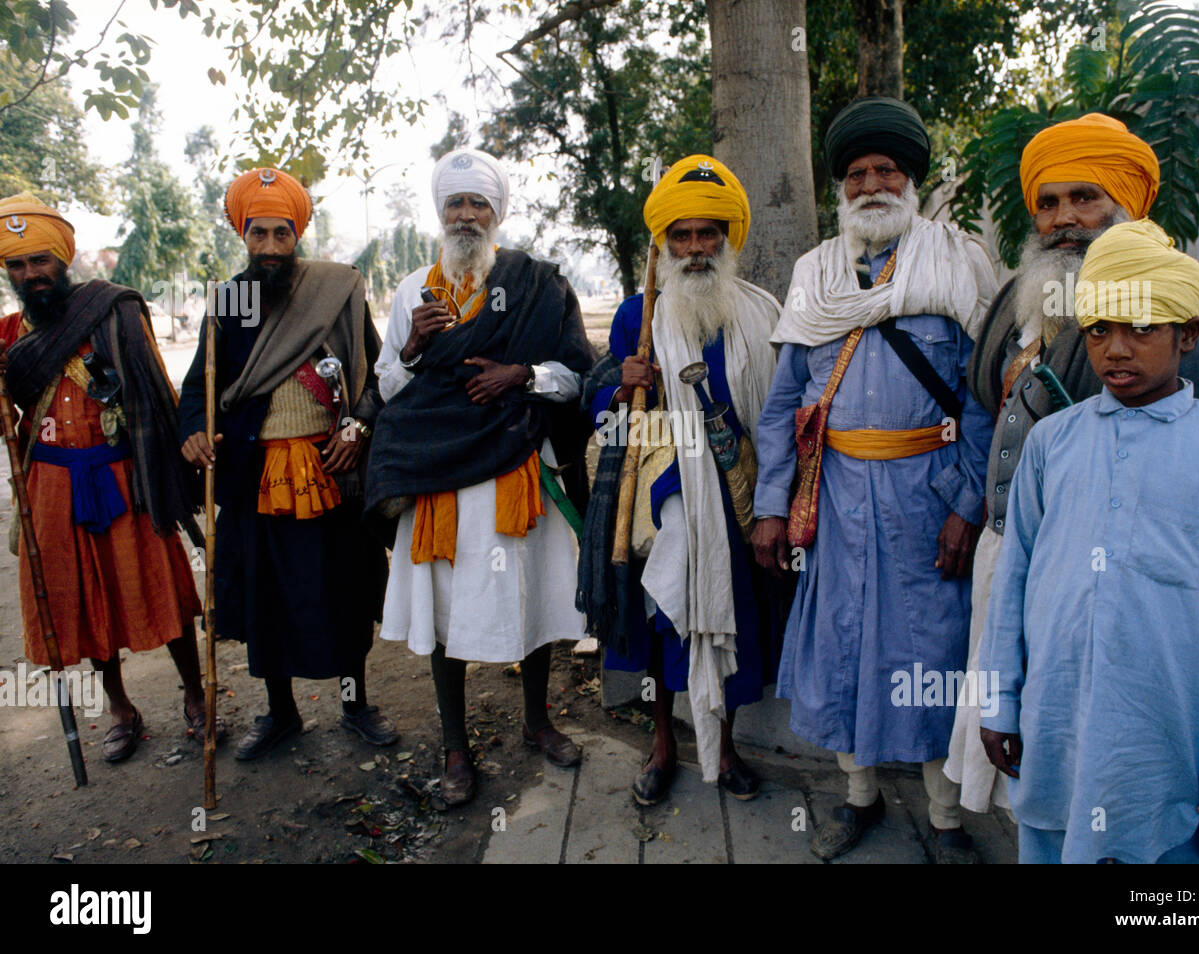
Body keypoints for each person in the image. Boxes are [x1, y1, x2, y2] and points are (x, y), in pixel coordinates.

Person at [945, 114, 1199, 816]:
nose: (1064, 220)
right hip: (1018, 559)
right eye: (1049, 202)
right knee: (1032, 761)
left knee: (1124, 769)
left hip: (1135, 590)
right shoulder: (1016, 297)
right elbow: (979, 404)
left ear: (1128, 204)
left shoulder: (1188, 310)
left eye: (1085, 198)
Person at [979, 219, 1199, 864]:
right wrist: (999, 700)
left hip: (1171, 741)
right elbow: (1015, 583)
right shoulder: (1052, 442)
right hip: (1056, 726)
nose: (1116, 349)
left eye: (1141, 328)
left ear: (1189, 334)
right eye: (1099, 330)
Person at [751, 98, 996, 861]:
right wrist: (768, 508)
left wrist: (967, 504)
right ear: (842, 188)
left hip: (929, 501)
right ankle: (857, 800)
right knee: (842, 647)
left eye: (886, 168)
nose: (871, 183)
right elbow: (785, 399)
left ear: (910, 178)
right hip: (836, 502)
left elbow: (984, 400)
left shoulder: (957, 261)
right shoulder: (814, 272)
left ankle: (948, 818)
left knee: (934, 654)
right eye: (856, 173)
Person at [367, 148, 595, 806]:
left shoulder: (537, 284)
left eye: (478, 204)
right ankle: (456, 749)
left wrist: (520, 375)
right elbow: (387, 386)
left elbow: (577, 373)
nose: (467, 215)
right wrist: (410, 347)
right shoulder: (413, 290)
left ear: (497, 212)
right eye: (455, 204)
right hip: (439, 474)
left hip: (517, 468)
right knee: (445, 611)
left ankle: (538, 722)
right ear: (441, 212)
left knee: (534, 595)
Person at [576, 155, 786, 804]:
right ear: (664, 244)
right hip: (661, 501)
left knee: (732, 623)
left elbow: (775, 409)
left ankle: (725, 751)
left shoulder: (757, 312)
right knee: (664, 621)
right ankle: (664, 748)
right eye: (682, 236)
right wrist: (620, 387)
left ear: (727, 238)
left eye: (708, 233)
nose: (696, 247)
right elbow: (606, 421)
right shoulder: (637, 317)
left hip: (736, 496)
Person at [178, 167, 396, 761]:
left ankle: (356, 705)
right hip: (256, 477)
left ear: (297, 233)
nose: (270, 248)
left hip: (334, 470)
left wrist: (358, 425)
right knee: (266, 598)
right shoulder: (228, 301)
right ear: (242, 236)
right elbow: (199, 384)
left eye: (281, 234)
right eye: (258, 235)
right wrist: (194, 429)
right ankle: (281, 715)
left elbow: (381, 377)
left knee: (345, 595)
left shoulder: (338, 290)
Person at [0, 192, 213, 762]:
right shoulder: (7, 337)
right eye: (17, 266)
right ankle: (121, 709)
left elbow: (159, 396)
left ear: (62, 258)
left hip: (126, 475)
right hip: (50, 487)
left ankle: (196, 696)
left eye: (39, 260)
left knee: (159, 586)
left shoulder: (113, 310)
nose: (30, 274)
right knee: (81, 599)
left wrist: (180, 460)